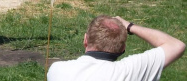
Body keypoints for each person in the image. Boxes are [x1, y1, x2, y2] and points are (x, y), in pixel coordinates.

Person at [47, 15, 185, 81]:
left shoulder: (58, 70)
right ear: (122, 48)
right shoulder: (129, 71)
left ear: (85, 40)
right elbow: (176, 46)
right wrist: (131, 27)